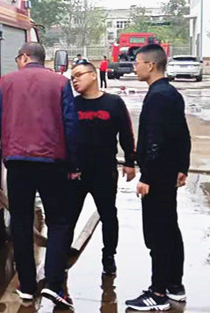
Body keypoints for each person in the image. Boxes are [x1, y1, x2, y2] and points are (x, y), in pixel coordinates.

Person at [0, 42, 78, 309]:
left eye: (18, 58)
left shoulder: (6, 83)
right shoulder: (60, 83)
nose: (17, 62)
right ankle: (53, 284)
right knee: (59, 222)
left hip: (17, 164)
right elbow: (71, 125)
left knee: (21, 222)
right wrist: (74, 164)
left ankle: (26, 286)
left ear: (25, 57)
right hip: (52, 163)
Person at [125, 44, 190, 311]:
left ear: (151, 65)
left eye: (137, 63)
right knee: (170, 229)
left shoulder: (157, 97)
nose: (134, 67)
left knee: (157, 234)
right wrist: (182, 166)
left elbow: (154, 140)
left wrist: (147, 177)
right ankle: (174, 285)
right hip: (168, 171)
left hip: (158, 176)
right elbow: (182, 135)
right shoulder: (170, 93)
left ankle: (158, 292)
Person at [69, 60, 135, 276]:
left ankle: (109, 256)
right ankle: (62, 254)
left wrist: (130, 162)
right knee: (69, 217)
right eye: (72, 77)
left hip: (105, 170)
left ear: (93, 75)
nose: (75, 80)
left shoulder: (113, 103)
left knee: (108, 215)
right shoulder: (72, 105)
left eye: (79, 75)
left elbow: (126, 133)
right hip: (77, 172)